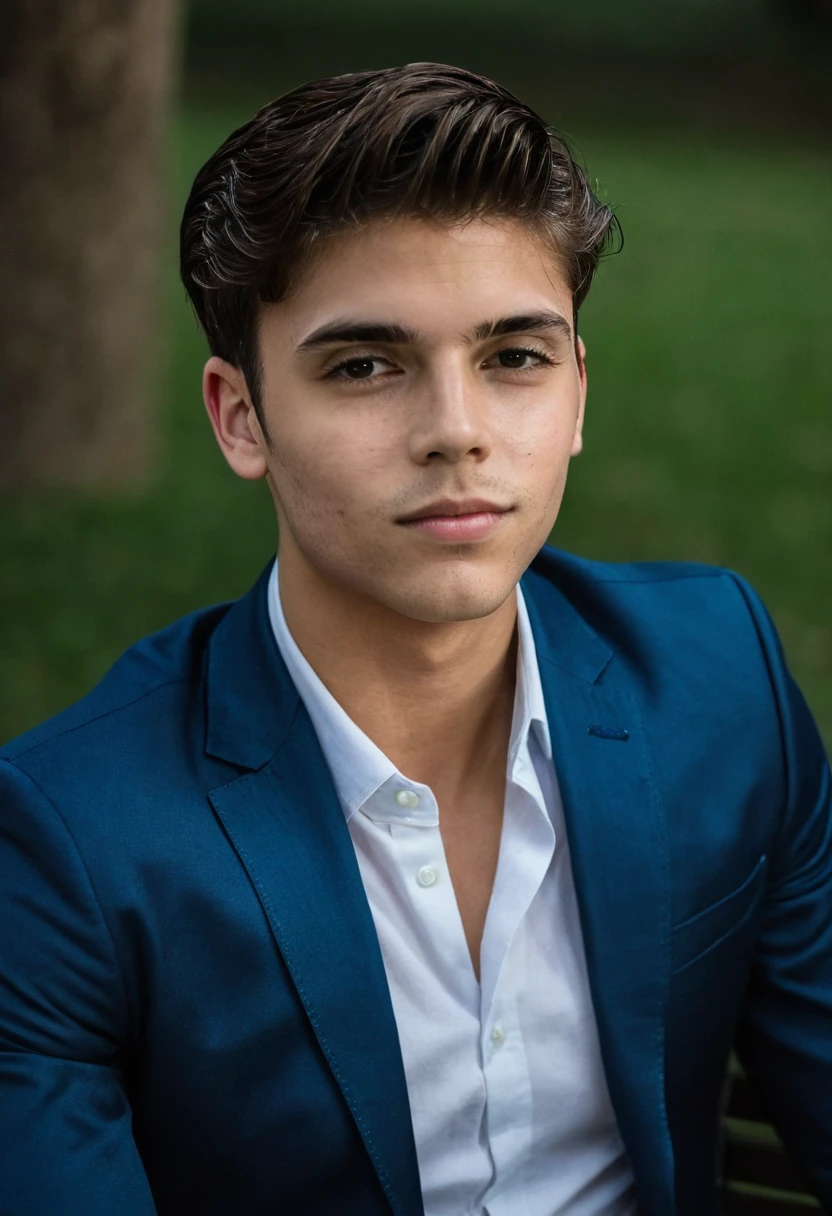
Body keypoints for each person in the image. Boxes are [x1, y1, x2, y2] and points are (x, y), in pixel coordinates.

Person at [0, 62, 829, 1216]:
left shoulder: (714, 679)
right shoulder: (70, 839)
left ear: (578, 392)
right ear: (241, 417)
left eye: (514, 358)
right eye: (364, 366)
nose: (456, 431)